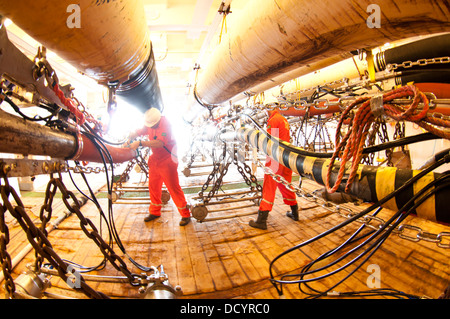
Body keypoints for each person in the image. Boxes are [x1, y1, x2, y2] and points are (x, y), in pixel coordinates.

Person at [127, 108, 191, 226]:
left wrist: (141, 143)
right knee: (153, 186)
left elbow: (161, 142)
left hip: (168, 160)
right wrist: (133, 134)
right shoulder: (151, 122)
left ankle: (185, 214)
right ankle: (155, 212)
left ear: (157, 120)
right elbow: (143, 130)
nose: (151, 126)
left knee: (173, 188)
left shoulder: (165, 124)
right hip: (155, 159)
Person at [249, 108, 299, 230]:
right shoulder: (283, 119)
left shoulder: (274, 120)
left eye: (266, 109)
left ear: (270, 108)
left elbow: (271, 141)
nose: (265, 112)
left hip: (275, 158)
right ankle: (295, 212)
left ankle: (262, 220)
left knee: (269, 188)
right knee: (285, 185)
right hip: (286, 157)